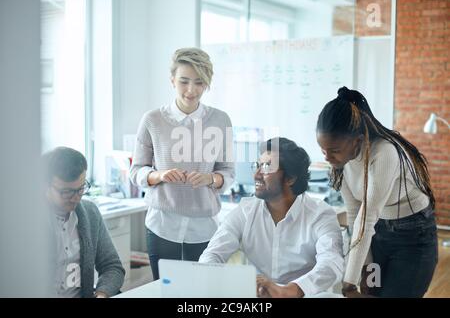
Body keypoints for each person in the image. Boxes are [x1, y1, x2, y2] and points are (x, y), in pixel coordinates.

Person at [316, 86, 438, 298]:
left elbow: (366, 217)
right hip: (378, 233)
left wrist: (348, 285)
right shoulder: (340, 162)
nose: (327, 157)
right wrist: (366, 270)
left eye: (334, 150)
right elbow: (355, 215)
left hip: (413, 236)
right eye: (323, 150)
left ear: (358, 140)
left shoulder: (384, 153)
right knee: (371, 292)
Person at [130, 47, 235, 280]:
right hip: (162, 225)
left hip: (204, 228)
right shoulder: (152, 120)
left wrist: (211, 178)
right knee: (166, 293)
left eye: (199, 82)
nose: (191, 90)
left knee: (201, 294)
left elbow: (227, 171)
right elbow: (136, 170)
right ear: (172, 80)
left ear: (207, 82)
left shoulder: (220, 120)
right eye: (184, 81)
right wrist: (159, 175)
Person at [199, 137, 344, 298]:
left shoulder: (320, 214)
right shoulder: (245, 211)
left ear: (290, 178)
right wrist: (209, 279)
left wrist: (290, 290)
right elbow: (213, 254)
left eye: (267, 167)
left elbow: (332, 262)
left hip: (300, 294)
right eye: (258, 165)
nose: (256, 175)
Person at [43, 147, 125, 298]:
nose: (76, 198)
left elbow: (112, 267)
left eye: (81, 189)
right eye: (66, 192)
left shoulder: (90, 213)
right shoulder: (27, 221)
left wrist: (102, 293)